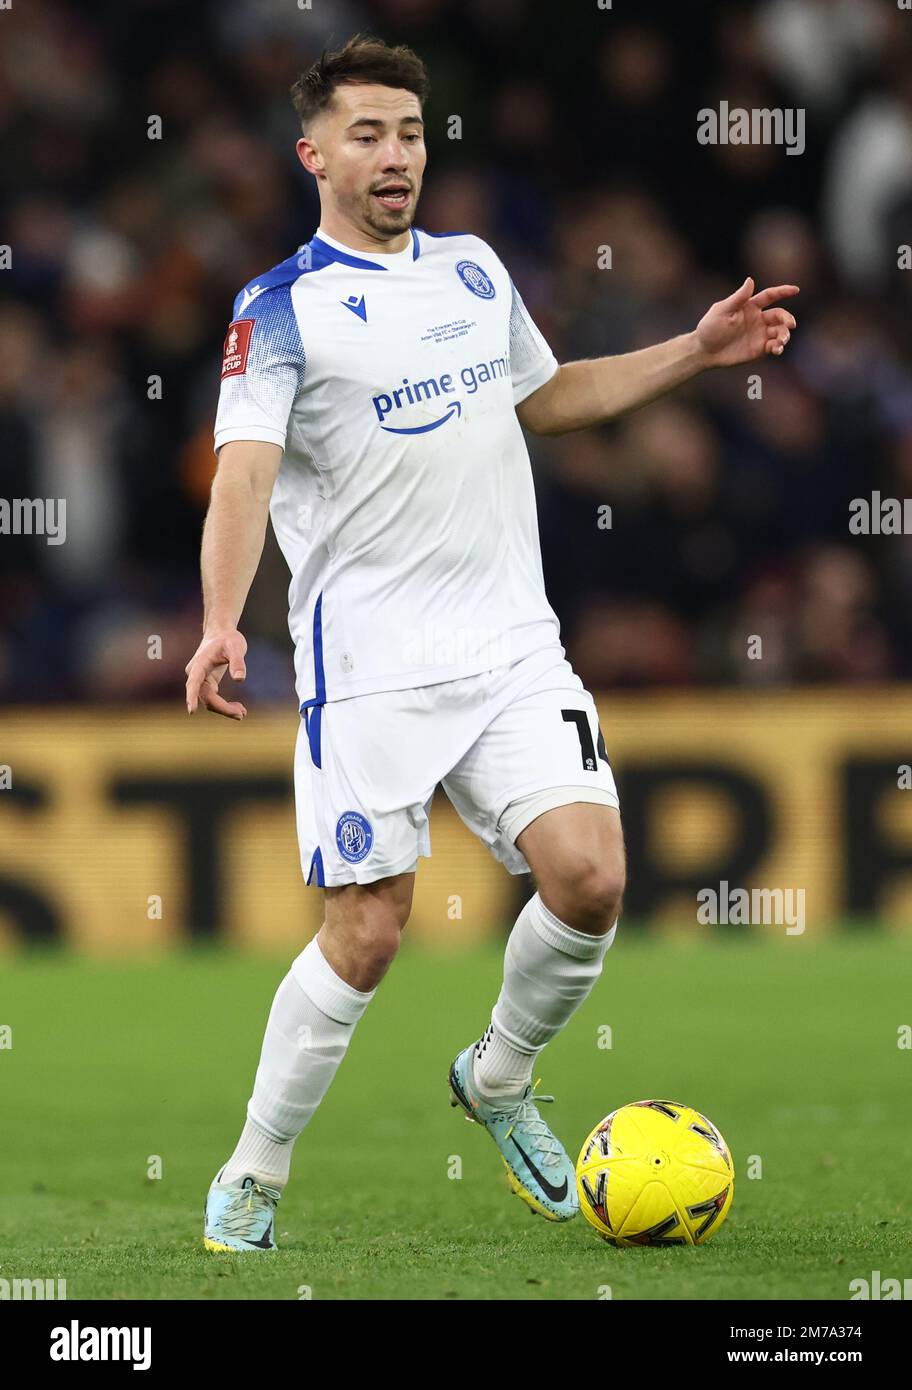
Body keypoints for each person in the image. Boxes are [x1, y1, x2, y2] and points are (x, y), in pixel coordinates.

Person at [185, 34, 798, 1251]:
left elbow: (547, 395)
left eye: (410, 132)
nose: (395, 154)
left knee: (593, 878)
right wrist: (215, 624)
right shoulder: (280, 309)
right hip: (367, 667)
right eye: (367, 134)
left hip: (512, 641)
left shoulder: (471, 269)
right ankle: (254, 1171)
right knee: (366, 934)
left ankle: (500, 1073)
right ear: (313, 155)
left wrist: (693, 350)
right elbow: (242, 478)